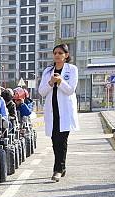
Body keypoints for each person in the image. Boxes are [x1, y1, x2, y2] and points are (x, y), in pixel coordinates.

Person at [38, 43, 79, 182]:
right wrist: (50, 82)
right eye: (55, 53)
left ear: (66, 55)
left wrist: (60, 81)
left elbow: (70, 90)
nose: (57, 55)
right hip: (52, 111)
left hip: (65, 112)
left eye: (60, 53)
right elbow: (41, 92)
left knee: (62, 140)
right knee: (55, 141)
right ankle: (62, 167)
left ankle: (58, 169)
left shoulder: (72, 70)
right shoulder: (48, 71)